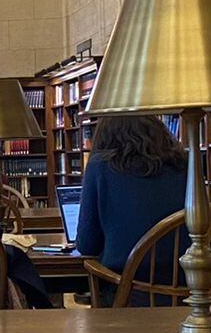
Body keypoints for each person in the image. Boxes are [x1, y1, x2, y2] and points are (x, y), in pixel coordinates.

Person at [75, 115, 187, 303]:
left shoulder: (99, 166)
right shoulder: (184, 163)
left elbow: (87, 245)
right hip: (188, 291)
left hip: (127, 291)